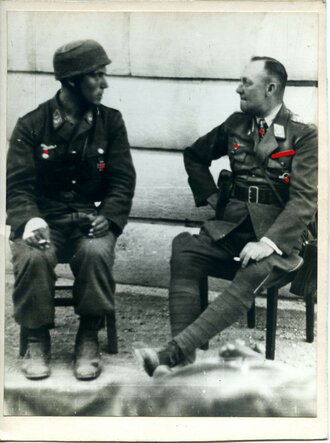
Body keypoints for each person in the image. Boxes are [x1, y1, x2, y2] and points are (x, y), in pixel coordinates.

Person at [136, 56, 317, 376]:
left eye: (246, 82)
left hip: (279, 242)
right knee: (185, 248)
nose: (238, 89)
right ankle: (185, 357)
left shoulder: (302, 134)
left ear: (271, 88)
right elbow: (194, 155)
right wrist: (213, 198)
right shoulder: (236, 124)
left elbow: (304, 200)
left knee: (251, 270)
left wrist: (268, 242)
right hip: (231, 231)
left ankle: (173, 354)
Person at [7, 40, 136, 380]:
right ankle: (37, 339)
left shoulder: (111, 122)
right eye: (97, 76)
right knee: (33, 256)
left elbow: (122, 180)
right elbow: (18, 186)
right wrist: (31, 221)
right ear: (72, 81)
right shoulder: (32, 125)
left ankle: (89, 335)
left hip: (88, 221)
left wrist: (107, 216)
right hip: (43, 220)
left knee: (96, 251)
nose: (104, 84)